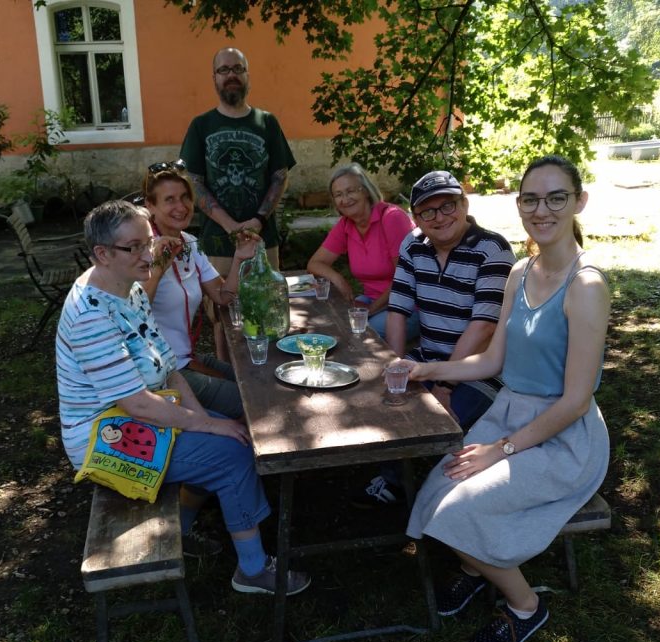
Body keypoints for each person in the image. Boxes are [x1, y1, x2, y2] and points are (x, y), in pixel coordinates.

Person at [405, 155, 611, 642]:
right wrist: (428, 370)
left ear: (578, 201)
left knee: (458, 507)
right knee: (435, 492)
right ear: (518, 205)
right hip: (510, 414)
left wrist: (500, 450)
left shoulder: (586, 287)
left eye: (556, 197)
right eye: (531, 199)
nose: (542, 210)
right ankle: (478, 568)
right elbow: (493, 358)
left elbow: (576, 400)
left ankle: (524, 606)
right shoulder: (521, 271)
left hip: (564, 436)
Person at [56, 200, 310, 595]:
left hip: (139, 412)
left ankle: (185, 524)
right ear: (102, 254)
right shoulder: (91, 313)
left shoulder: (129, 288)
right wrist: (208, 423)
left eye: (150, 242)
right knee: (234, 452)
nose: (150, 253)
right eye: (135, 247)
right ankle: (253, 570)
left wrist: (202, 416)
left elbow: (169, 366)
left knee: (232, 433)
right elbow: (135, 403)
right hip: (102, 437)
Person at [354, 170, 515, 508]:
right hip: (426, 360)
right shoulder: (413, 246)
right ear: (417, 217)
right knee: (381, 400)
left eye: (448, 206)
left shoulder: (493, 249)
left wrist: (445, 384)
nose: (440, 217)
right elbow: (397, 311)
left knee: (435, 419)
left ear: (464, 204)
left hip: (481, 372)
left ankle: (427, 488)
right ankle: (400, 477)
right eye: (429, 210)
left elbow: (483, 328)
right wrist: (394, 369)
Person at [141, 159, 257, 420]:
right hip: (163, 370)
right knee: (253, 401)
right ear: (150, 206)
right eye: (169, 199)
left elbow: (222, 296)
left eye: (185, 198)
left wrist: (239, 258)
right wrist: (158, 268)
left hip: (186, 357)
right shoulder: (141, 250)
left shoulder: (190, 243)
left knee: (258, 379)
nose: (181, 207)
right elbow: (132, 313)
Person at [180, 46, 296, 274]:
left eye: (237, 68)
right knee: (220, 305)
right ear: (214, 78)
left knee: (266, 304)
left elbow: (279, 177)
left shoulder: (267, 122)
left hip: (263, 239)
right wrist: (229, 225)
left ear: (247, 75)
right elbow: (193, 182)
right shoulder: (200, 125)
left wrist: (258, 220)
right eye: (224, 69)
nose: (231, 74)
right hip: (217, 244)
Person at [305, 163, 416, 337]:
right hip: (371, 301)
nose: (345, 199)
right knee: (329, 324)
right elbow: (315, 263)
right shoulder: (345, 225)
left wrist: (370, 310)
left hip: (407, 306)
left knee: (360, 333)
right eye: (338, 195)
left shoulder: (391, 218)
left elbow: (405, 279)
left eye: (351, 191)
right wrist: (338, 278)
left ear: (365, 190)